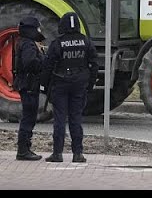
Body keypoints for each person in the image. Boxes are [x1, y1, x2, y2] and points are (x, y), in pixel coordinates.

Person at [40, 12, 98, 163]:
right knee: (76, 119)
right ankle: (77, 153)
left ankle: (57, 154)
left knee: (59, 119)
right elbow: (94, 65)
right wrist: (90, 85)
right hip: (79, 85)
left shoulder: (58, 43)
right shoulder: (86, 42)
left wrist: (44, 87)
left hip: (60, 84)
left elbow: (48, 66)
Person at [13, 16, 47, 161]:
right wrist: (43, 58)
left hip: (27, 84)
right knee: (29, 117)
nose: (40, 31)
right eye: (38, 28)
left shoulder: (25, 42)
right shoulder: (28, 45)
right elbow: (30, 63)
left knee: (29, 116)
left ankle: (25, 148)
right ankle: (23, 150)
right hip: (29, 85)